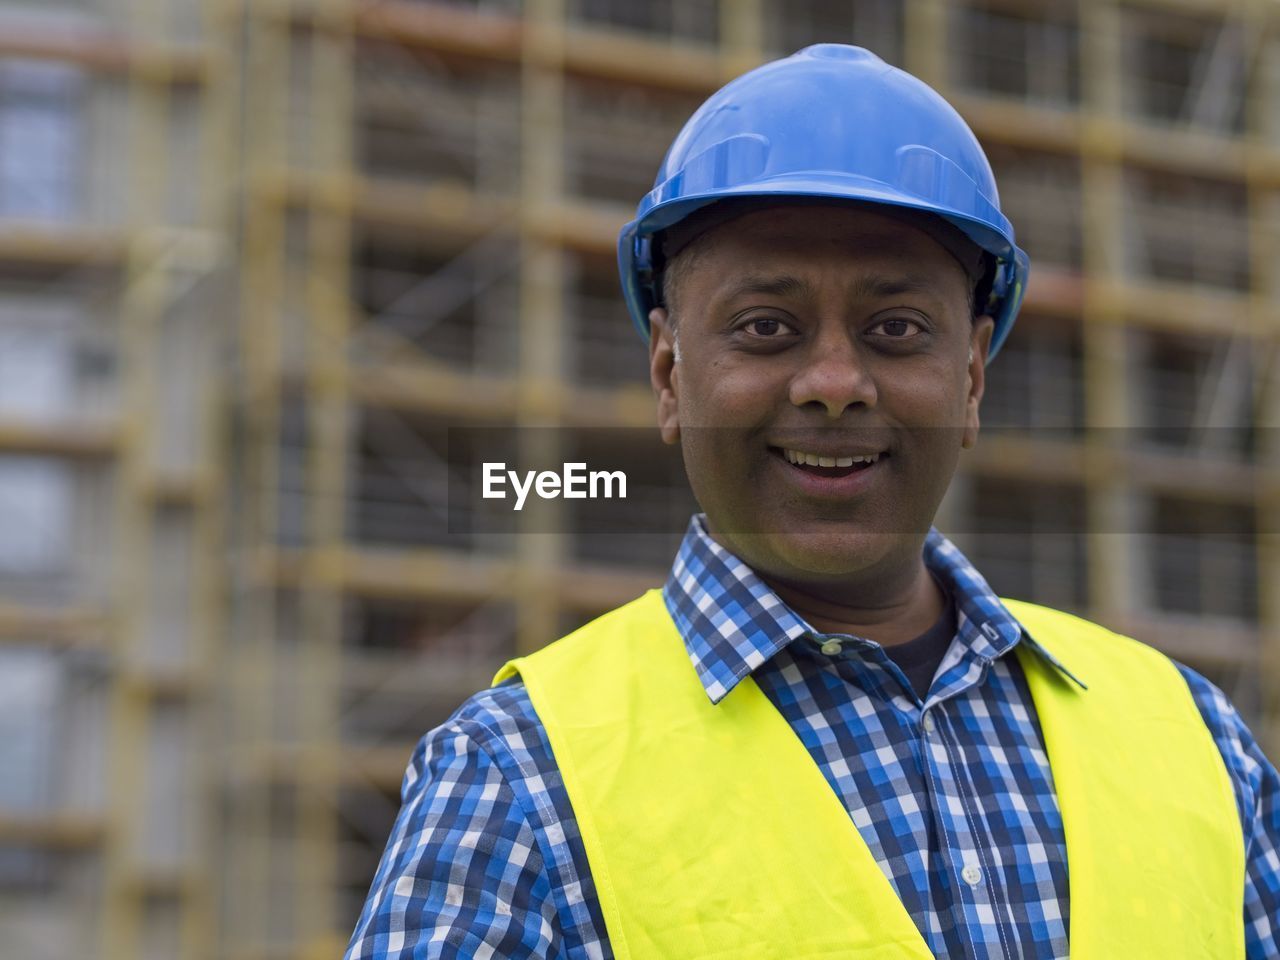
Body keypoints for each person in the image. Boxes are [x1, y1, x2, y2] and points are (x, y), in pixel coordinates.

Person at [345, 46, 1280, 959]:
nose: (835, 382)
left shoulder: (1192, 737)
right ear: (671, 376)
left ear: (971, 377)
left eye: (896, 328)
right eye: (767, 327)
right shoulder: (515, 783)